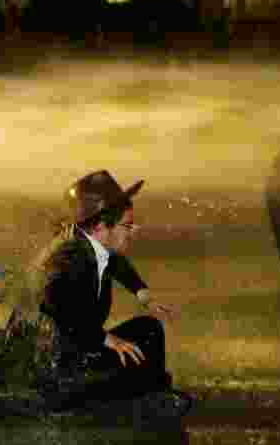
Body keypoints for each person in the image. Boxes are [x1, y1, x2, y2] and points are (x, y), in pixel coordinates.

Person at [39, 170, 183, 409]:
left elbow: (119, 266)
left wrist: (144, 296)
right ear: (100, 227)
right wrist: (106, 339)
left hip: (80, 349)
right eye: (127, 225)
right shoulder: (69, 257)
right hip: (62, 368)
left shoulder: (94, 246)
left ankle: (150, 391)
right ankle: (142, 399)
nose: (134, 231)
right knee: (139, 355)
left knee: (150, 330)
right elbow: (55, 304)